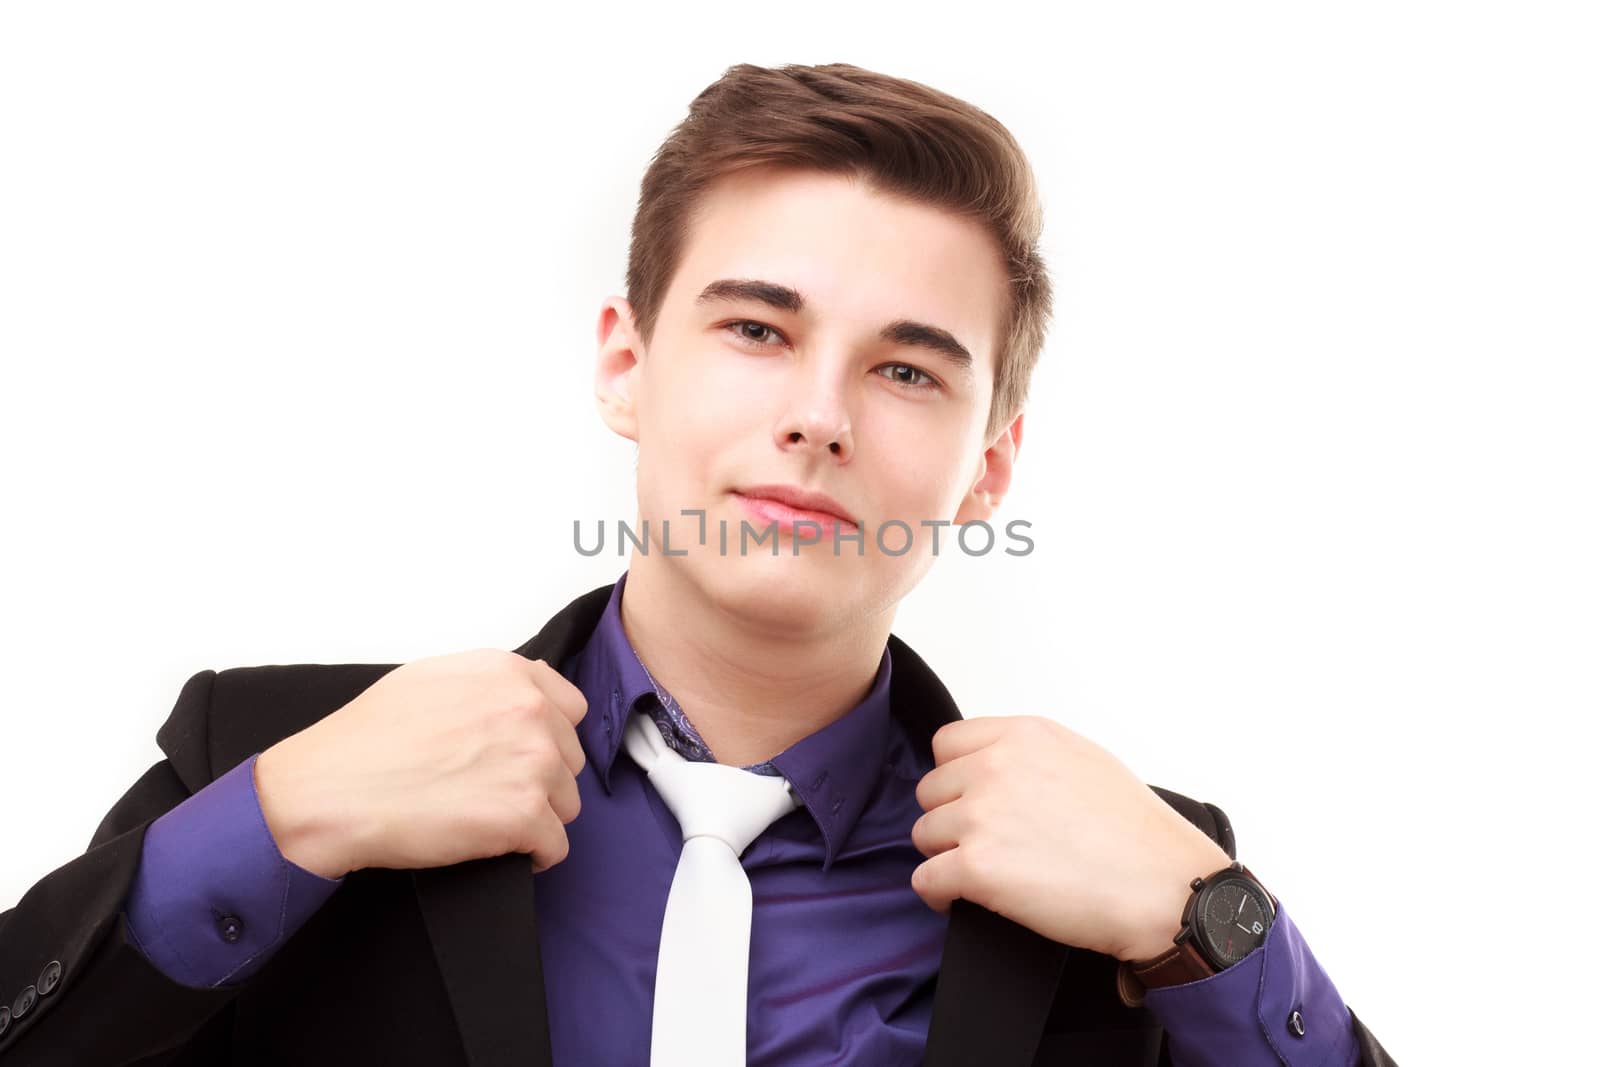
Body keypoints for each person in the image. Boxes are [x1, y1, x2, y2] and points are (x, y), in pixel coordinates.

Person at [0, 62, 1398, 1066]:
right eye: (757, 330)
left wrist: (1208, 927)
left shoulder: (1138, 892)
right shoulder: (269, 756)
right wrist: (280, 820)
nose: (819, 415)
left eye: (908, 369)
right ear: (628, 362)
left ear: (989, 466)